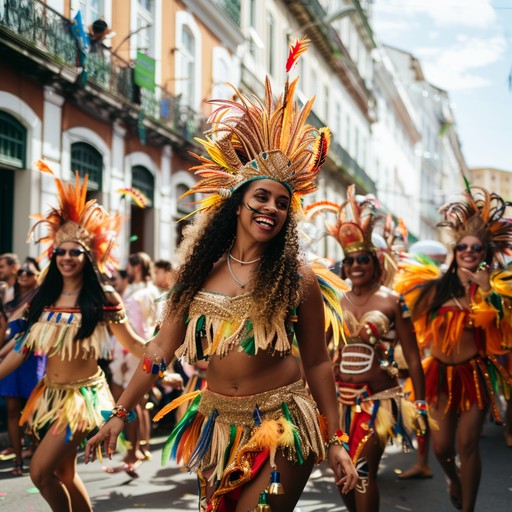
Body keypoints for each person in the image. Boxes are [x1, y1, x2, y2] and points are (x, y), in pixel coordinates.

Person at [85, 38, 358, 512]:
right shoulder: (199, 274)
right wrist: (121, 412)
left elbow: (316, 361)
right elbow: (159, 352)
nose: (271, 208)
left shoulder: (298, 277)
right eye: (261, 197)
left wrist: (335, 438)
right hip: (217, 423)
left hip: (283, 420)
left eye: (281, 203)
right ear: (238, 204)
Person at [0, 162, 146, 512]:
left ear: (87, 257)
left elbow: (132, 343)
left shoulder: (103, 299)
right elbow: (22, 349)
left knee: (39, 472)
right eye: (60, 251)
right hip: (47, 396)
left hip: (82, 400)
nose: (66, 257)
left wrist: (164, 358)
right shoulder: (44, 299)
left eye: (74, 252)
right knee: (65, 472)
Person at [305, 187, 429, 512]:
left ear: (374, 262)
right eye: (350, 260)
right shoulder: (335, 298)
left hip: (377, 402)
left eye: (363, 258)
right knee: (342, 475)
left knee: (362, 471)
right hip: (338, 401)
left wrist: (421, 401)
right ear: (344, 265)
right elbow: (322, 350)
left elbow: (413, 355)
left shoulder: (392, 300)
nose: (356, 264)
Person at [394, 186, 512, 511]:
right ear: (455, 251)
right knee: (443, 447)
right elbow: (404, 319)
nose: (469, 251)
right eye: (463, 246)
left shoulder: (497, 290)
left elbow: (498, 330)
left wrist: (487, 290)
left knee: (468, 443)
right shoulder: (434, 289)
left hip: (474, 374)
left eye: (476, 247)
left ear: (485, 252)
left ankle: (468, 507)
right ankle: (454, 478)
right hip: (440, 375)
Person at [0, 258, 45, 476]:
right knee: (11, 410)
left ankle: (36, 453)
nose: (24, 275)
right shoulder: (11, 300)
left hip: (33, 357)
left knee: (33, 410)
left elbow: (27, 334)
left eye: (29, 272)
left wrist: (2, 352)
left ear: (38, 275)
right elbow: (8, 332)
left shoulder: (42, 299)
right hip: (11, 358)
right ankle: (18, 460)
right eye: (21, 273)